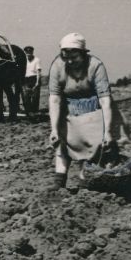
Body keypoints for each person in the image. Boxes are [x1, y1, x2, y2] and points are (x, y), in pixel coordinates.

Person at [48, 33, 114, 190]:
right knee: (62, 142)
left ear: (83, 54)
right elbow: (55, 98)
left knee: (94, 145)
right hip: (69, 108)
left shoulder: (95, 66)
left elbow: (105, 99)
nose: (70, 61)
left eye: (74, 57)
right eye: (66, 57)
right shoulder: (57, 66)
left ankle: (85, 181)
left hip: (94, 109)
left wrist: (107, 131)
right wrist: (54, 129)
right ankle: (59, 181)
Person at [22, 45, 42, 115]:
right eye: (27, 52)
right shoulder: (23, 60)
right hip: (26, 79)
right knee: (26, 96)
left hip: (34, 78)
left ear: (32, 52)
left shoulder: (37, 60)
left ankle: (34, 110)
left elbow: (38, 71)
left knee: (35, 96)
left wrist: (37, 82)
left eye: (30, 52)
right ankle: (28, 111)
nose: (29, 54)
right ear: (25, 53)